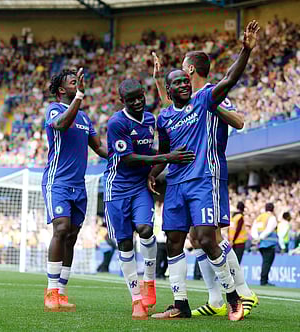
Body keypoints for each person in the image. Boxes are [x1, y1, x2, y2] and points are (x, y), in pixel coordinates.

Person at [149, 21, 260, 321]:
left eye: (184, 69)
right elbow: (173, 110)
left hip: (208, 171)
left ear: (191, 69)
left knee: (212, 237)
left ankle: (242, 293)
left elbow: (238, 120)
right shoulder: (185, 101)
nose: (182, 75)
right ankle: (212, 298)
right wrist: (159, 80)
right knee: (195, 239)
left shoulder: (209, 95)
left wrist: (245, 52)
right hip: (180, 179)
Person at [104, 79, 195, 320]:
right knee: (124, 243)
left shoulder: (150, 120)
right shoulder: (116, 123)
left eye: (139, 97)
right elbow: (128, 159)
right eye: (131, 99)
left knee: (145, 229)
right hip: (117, 188)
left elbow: (149, 152)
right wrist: (167, 157)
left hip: (139, 186)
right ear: (122, 101)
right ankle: (136, 300)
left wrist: (159, 164)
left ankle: (149, 281)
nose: (136, 102)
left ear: (144, 95)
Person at [42, 68, 108, 311]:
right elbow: (60, 125)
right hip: (57, 182)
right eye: (73, 82)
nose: (78, 84)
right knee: (60, 228)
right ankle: (50, 291)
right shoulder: (54, 109)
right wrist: (79, 97)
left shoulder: (84, 118)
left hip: (78, 186)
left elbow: (100, 149)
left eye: (79, 82)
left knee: (72, 235)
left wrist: (126, 156)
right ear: (62, 90)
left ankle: (61, 292)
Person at [251, 202, 278, 286]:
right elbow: (269, 230)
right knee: (267, 262)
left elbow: (253, 229)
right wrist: (260, 238)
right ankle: (264, 281)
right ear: (273, 209)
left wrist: (256, 238)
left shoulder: (259, 218)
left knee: (265, 262)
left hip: (261, 244)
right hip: (268, 243)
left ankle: (264, 280)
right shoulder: (272, 217)